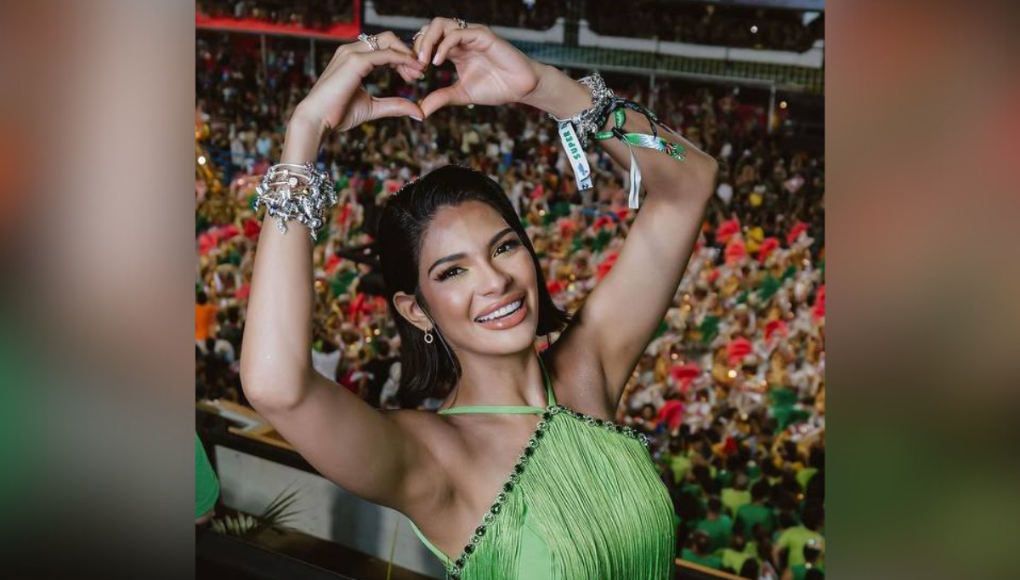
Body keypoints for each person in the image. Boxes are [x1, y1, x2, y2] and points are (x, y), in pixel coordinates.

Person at [240, 19, 717, 580]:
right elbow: (276, 388)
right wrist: (305, 130)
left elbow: (689, 184)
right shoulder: (431, 457)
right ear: (415, 309)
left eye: (504, 247)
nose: (494, 281)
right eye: (452, 271)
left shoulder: (589, 368)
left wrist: (543, 86)